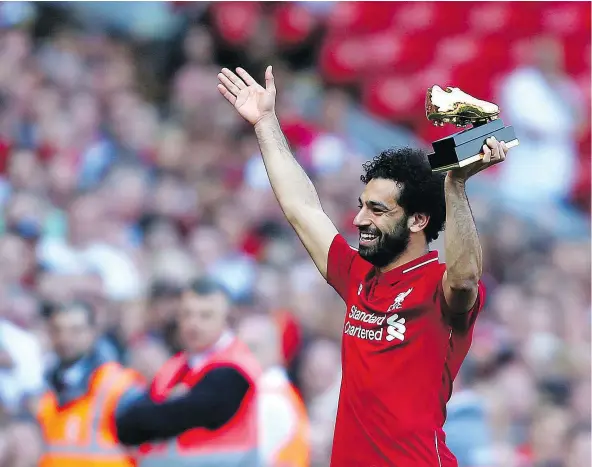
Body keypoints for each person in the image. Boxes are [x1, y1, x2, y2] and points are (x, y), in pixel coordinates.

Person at [217, 66, 510, 466]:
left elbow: (464, 278)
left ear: (418, 220)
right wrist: (266, 123)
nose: (359, 220)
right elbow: (302, 209)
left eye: (377, 210)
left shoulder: (437, 287)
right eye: (361, 207)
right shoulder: (357, 275)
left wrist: (455, 187)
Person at [115, 277, 262, 467]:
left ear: (227, 319)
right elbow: (127, 425)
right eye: (186, 314)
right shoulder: (174, 366)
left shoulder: (235, 368)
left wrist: (167, 407)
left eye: (205, 315)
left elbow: (185, 415)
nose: (193, 323)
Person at [37, 301, 143, 467]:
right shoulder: (46, 388)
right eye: (58, 330)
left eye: (76, 330)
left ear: (93, 332)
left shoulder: (117, 385)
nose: (65, 338)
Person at [237, 313, 310, 467]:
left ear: (274, 351)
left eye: (252, 347)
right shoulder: (276, 390)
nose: (243, 355)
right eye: (239, 348)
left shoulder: (270, 399)